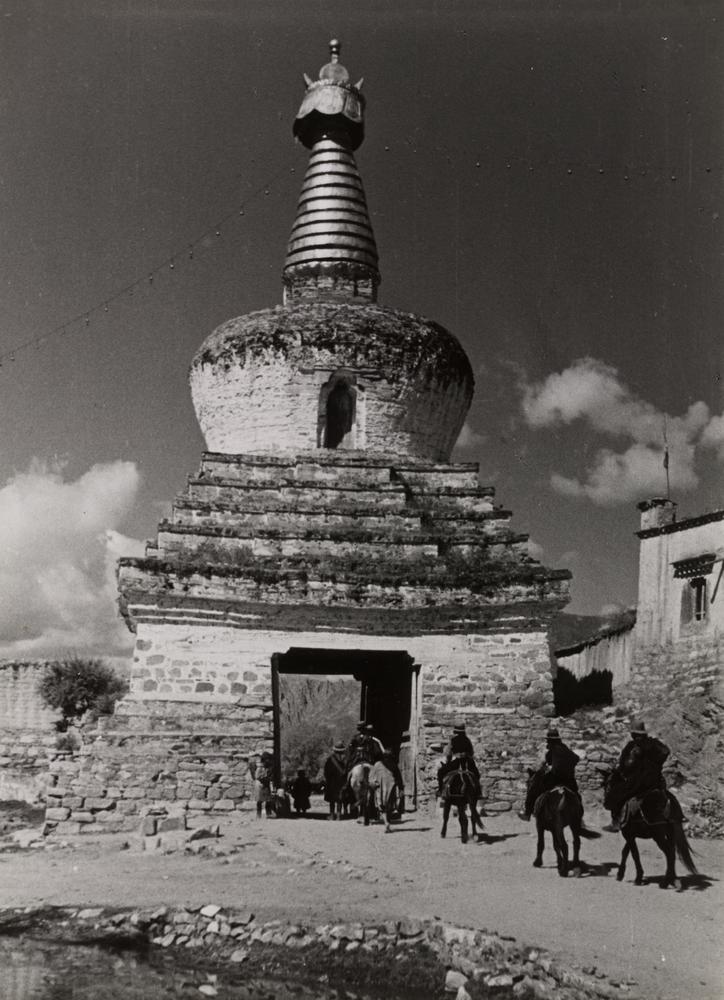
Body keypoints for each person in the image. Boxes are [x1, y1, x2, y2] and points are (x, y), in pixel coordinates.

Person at [605, 720, 670, 831]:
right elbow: (666, 752)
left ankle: (615, 822)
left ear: (634, 734)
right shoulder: (655, 743)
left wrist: (621, 771)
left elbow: (627, 765)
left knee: (615, 793)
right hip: (656, 780)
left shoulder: (633, 746)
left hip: (639, 781)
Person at [519, 727, 581, 821]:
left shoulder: (553, 749)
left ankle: (527, 812)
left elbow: (549, 765)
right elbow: (576, 758)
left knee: (533, 787)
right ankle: (578, 817)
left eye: (548, 740)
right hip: (569, 780)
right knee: (576, 795)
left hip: (555, 778)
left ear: (550, 740)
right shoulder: (565, 748)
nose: (548, 742)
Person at [437, 723, 480, 795]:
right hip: (467, 763)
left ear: (455, 731)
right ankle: (478, 792)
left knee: (440, 772)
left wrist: (448, 762)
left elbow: (448, 754)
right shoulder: (467, 740)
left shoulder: (453, 740)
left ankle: (441, 790)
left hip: (456, 763)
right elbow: (471, 753)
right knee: (476, 774)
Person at [323, 741, 348, 819]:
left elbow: (326, 771)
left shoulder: (330, 759)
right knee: (340, 799)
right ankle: (339, 815)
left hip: (332, 782)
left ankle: (332, 814)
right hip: (342, 782)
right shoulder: (346, 759)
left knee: (332, 800)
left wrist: (327, 779)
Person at [251, 751, 275, 819]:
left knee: (268, 799)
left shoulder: (268, 767)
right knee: (259, 800)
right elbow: (257, 776)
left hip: (265, 784)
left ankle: (268, 813)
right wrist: (264, 778)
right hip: (260, 784)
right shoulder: (260, 767)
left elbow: (270, 776)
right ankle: (259, 814)